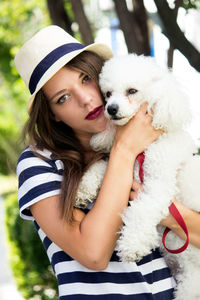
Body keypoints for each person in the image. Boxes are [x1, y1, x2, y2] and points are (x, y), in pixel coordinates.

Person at [15, 25, 200, 300]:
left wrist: (171, 215)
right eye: (63, 98)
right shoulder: (38, 164)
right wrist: (124, 151)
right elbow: (93, 254)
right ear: (52, 114)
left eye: (86, 78)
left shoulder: (156, 141)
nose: (86, 99)